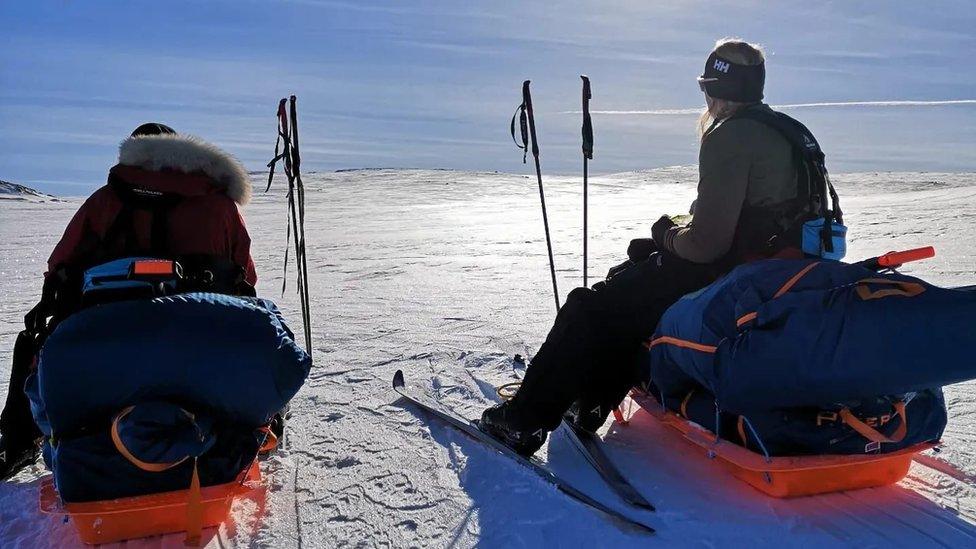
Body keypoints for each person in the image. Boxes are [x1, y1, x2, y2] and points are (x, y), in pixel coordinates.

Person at [481, 38, 829, 456]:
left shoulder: (731, 135)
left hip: (732, 273)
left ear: (717, 89)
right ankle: (589, 405)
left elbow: (706, 245)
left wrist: (665, 232)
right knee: (635, 288)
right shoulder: (789, 131)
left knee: (590, 305)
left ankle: (523, 422)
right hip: (783, 270)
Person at [0, 123, 256, 480]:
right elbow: (245, 277)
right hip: (203, 342)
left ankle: (19, 444)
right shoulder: (220, 206)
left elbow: (61, 267)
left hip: (107, 339)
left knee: (32, 345)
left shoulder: (104, 202)